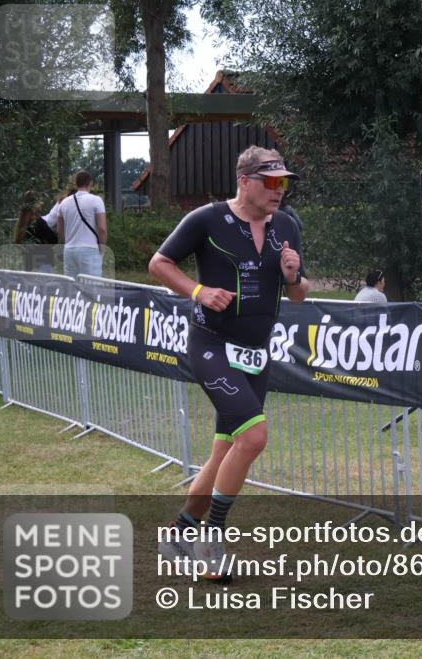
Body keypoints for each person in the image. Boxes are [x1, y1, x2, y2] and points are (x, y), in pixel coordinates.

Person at [150, 146, 310, 580]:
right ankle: (211, 541)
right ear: (244, 181)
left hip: (256, 354)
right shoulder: (207, 219)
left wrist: (294, 275)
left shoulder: (288, 225)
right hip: (212, 345)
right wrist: (197, 291)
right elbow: (159, 262)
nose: (280, 190)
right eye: (271, 181)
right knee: (254, 438)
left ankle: (179, 535)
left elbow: (297, 293)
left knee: (224, 453)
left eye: (284, 182)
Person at [57, 171, 106, 278]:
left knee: (72, 288)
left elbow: (60, 230)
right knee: (92, 288)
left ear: (76, 183)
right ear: (91, 183)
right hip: (89, 249)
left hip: (69, 250)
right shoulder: (96, 201)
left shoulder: (63, 203)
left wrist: (68, 241)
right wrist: (102, 248)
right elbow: (102, 229)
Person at [13, 191, 58, 273]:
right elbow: (54, 240)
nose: (41, 203)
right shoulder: (38, 223)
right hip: (44, 262)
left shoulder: (21, 223)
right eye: (39, 201)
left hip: (28, 263)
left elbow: (18, 242)